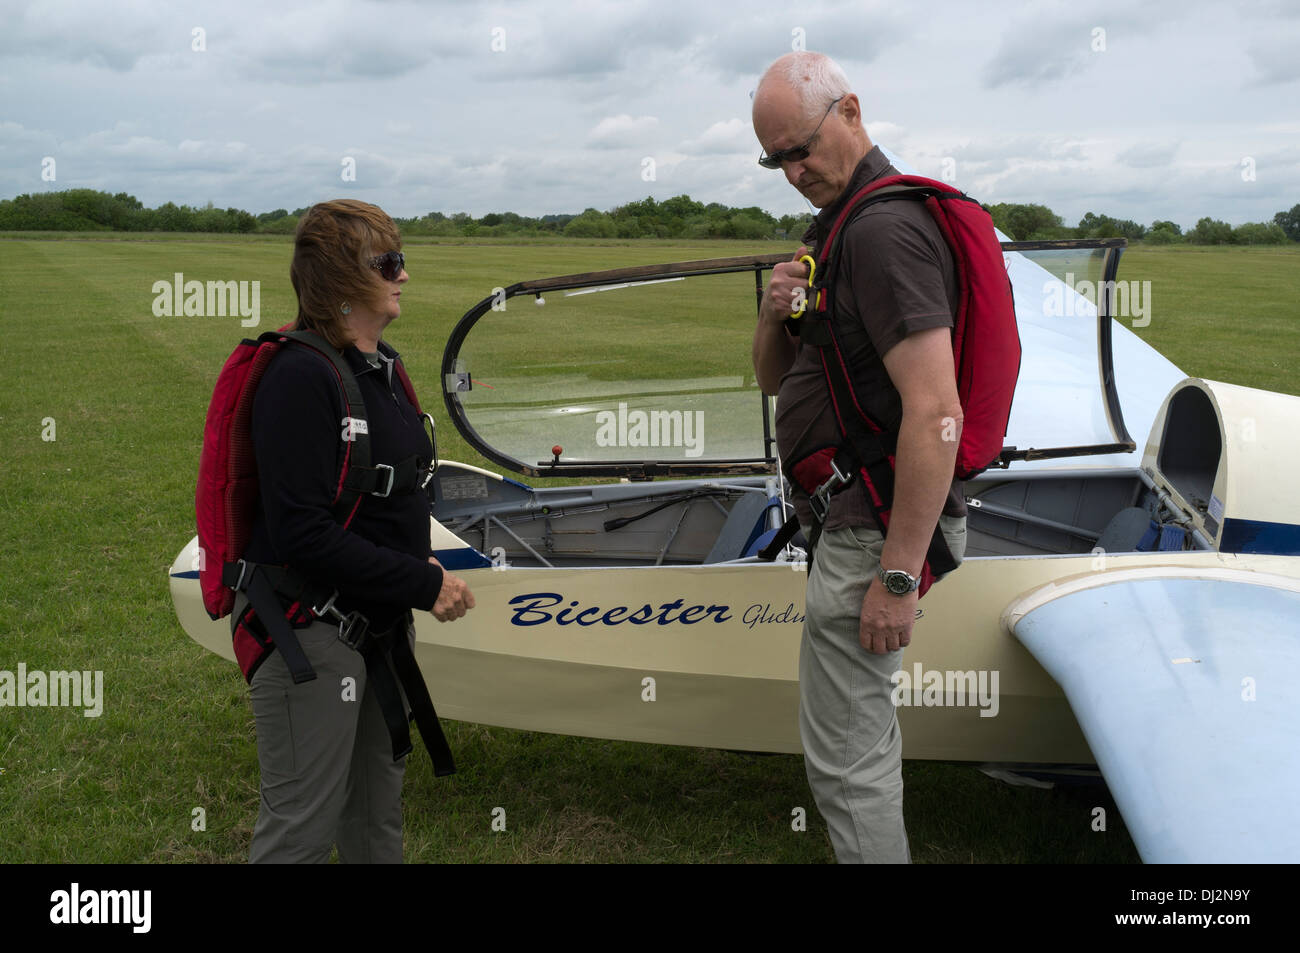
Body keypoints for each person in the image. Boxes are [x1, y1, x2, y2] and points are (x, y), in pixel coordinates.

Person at [750, 52, 967, 863]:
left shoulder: (880, 232)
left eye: (800, 148)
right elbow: (782, 381)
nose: (793, 171)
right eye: (776, 160)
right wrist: (778, 315)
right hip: (851, 522)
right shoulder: (838, 230)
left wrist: (899, 575)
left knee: (847, 758)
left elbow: (937, 410)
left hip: (870, 530)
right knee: (854, 743)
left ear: (851, 110)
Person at [233, 198, 475, 863]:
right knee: (300, 830)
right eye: (389, 261)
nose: (404, 275)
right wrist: (421, 581)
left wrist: (404, 591)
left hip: (377, 627)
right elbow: (303, 532)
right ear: (344, 278)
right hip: (308, 631)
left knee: (375, 816)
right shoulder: (299, 378)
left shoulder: (382, 368)